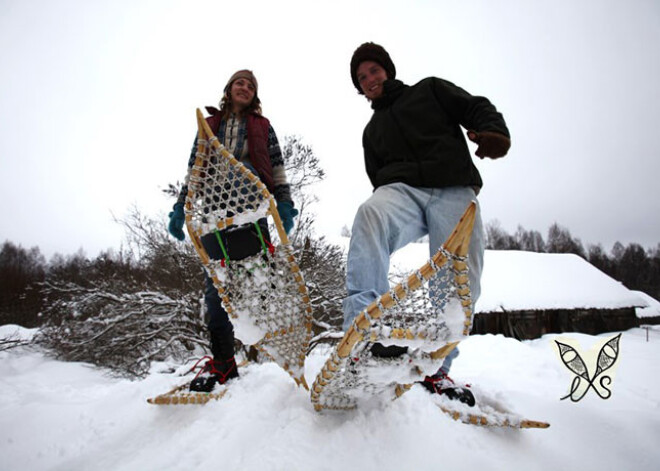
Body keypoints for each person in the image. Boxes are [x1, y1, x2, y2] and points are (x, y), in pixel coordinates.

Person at [346, 42, 510, 403]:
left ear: (387, 70)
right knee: (370, 213)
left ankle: (437, 370)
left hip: (451, 188)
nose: (370, 79)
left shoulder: (429, 90)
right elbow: (377, 179)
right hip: (402, 191)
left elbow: (473, 106)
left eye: (373, 71)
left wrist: (492, 130)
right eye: (362, 78)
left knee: (457, 275)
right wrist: (390, 200)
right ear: (360, 89)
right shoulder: (371, 132)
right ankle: (365, 333)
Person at [168, 70, 298, 392]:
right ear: (229, 89)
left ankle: (281, 349)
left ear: (255, 95)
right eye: (240, 82)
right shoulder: (209, 127)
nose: (245, 87)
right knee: (217, 290)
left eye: (251, 85)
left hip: (250, 209)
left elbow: (277, 166)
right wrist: (180, 206)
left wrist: (284, 204)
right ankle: (224, 367)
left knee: (256, 280)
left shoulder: (262, 126)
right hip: (214, 211)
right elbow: (194, 169)